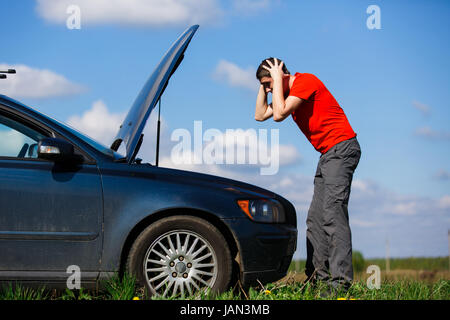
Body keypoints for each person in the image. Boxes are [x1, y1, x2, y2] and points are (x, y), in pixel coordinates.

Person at [254, 57, 361, 294]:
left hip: (342, 148)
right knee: (314, 220)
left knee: (333, 215)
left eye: (269, 84)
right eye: (265, 86)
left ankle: (340, 283)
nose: (269, 89)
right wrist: (264, 86)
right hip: (327, 155)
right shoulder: (287, 94)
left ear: (281, 75)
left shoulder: (306, 82)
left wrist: (277, 80)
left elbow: (279, 113)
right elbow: (260, 115)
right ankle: (317, 279)